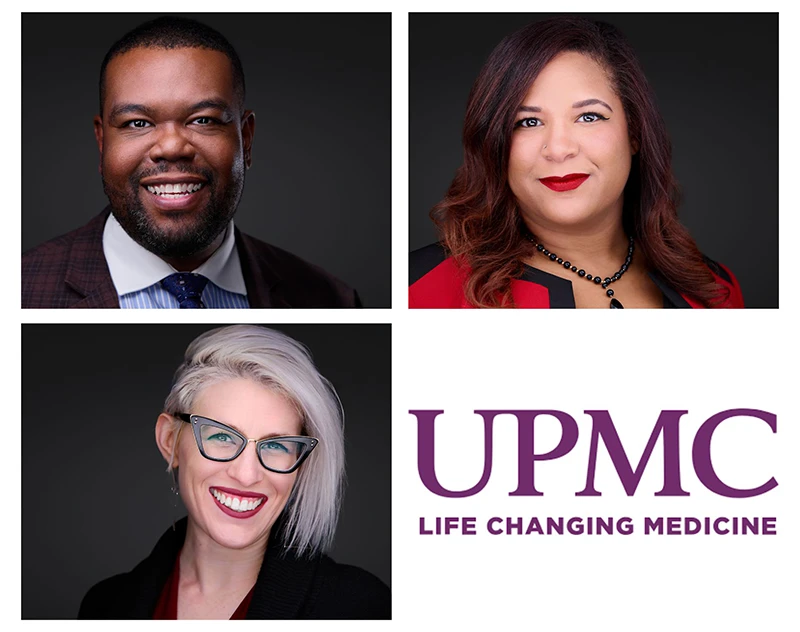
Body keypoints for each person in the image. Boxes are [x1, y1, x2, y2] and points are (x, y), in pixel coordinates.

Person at [22, 17, 359, 308]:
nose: (171, 147)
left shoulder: (331, 298)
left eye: (203, 120)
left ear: (247, 138)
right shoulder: (19, 292)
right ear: (102, 142)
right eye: (137, 123)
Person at [409, 17, 744, 309]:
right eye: (527, 122)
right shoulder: (416, 289)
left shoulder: (716, 289)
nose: (558, 149)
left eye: (588, 116)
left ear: (634, 134)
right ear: (496, 143)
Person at [77, 325, 390, 619]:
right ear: (169, 440)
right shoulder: (105, 605)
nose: (246, 474)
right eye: (222, 437)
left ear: (301, 462)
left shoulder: (358, 606)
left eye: (277, 445)